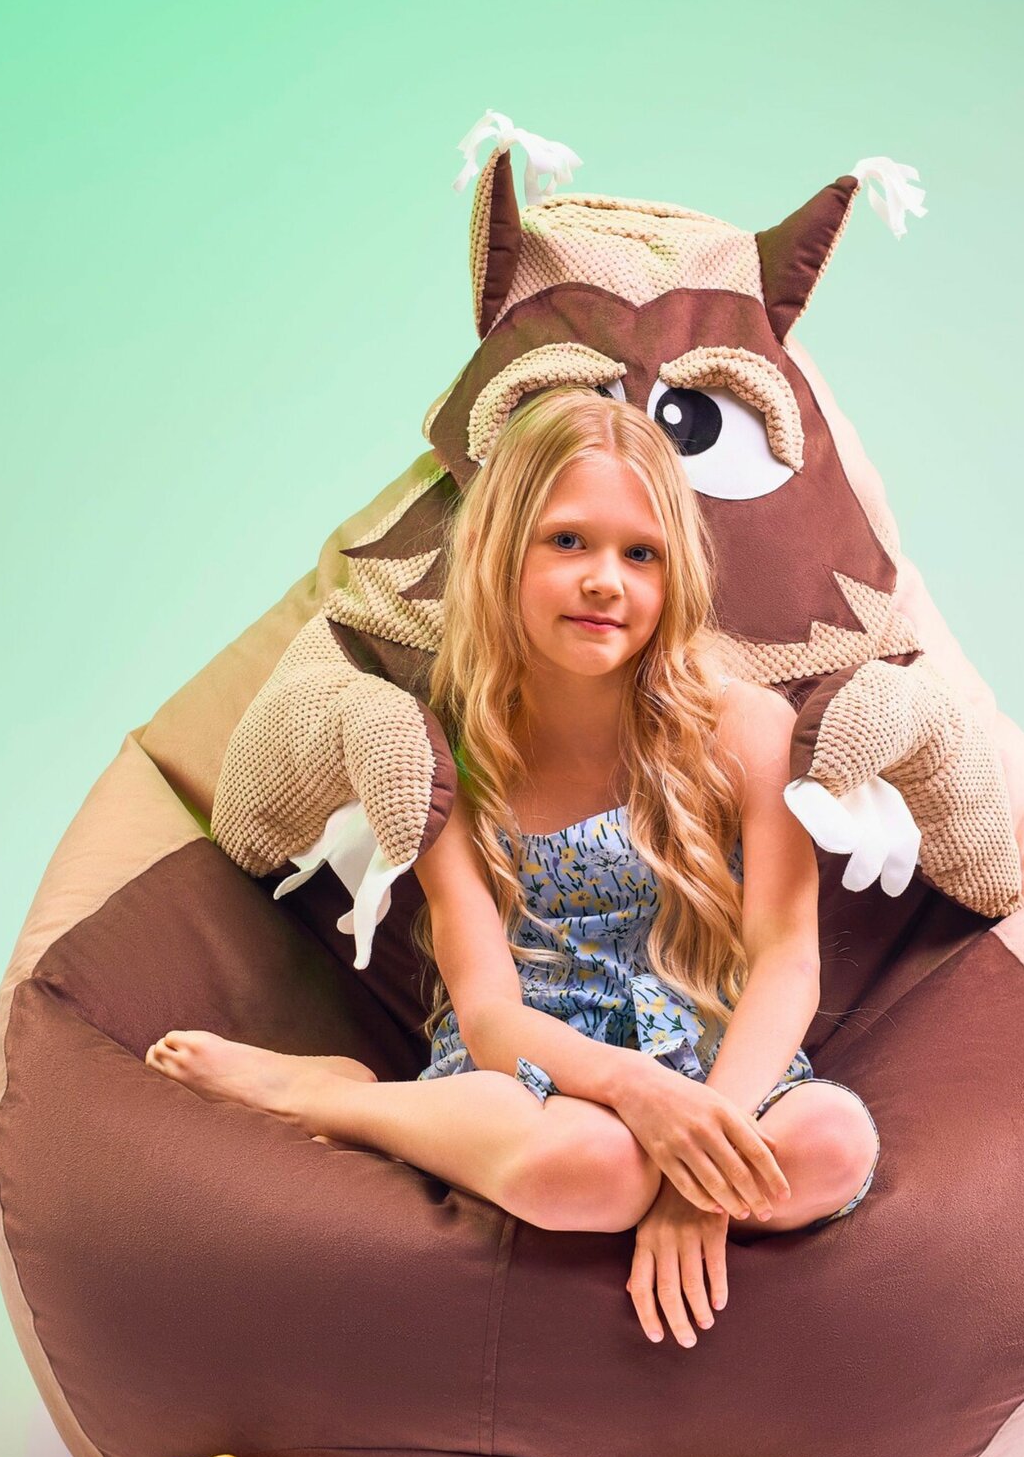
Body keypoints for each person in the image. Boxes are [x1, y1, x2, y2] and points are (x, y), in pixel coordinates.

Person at [146, 386, 879, 1349]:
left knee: (833, 1143)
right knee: (594, 1166)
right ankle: (343, 1098)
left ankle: (661, 1160)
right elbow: (489, 1014)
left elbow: (786, 955)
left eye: (641, 553)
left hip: (713, 1063)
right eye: (567, 542)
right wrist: (633, 1093)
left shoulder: (745, 727)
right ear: (502, 554)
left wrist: (700, 1166)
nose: (606, 580)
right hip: (531, 1066)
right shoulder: (449, 752)